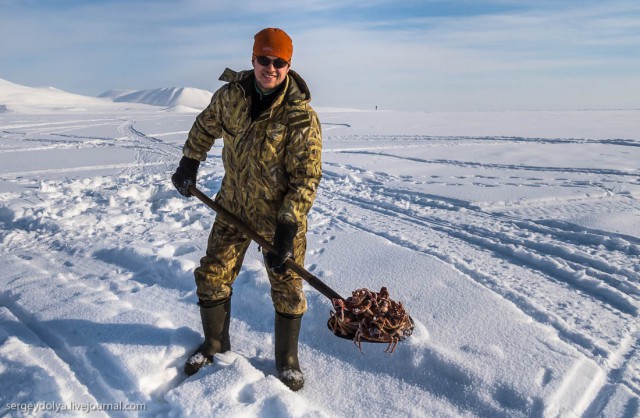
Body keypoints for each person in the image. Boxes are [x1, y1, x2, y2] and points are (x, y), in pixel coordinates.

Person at [171, 27, 322, 391]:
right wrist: (190, 162)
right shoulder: (230, 97)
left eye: (279, 62)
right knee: (212, 274)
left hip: (279, 217)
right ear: (253, 58)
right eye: (263, 59)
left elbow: (306, 177)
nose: (270, 68)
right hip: (233, 207)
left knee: (287, 286)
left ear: (289, 65)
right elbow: (205, 127)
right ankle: (215, 345)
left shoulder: (300, 116)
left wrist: (287, 228)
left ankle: (287, 361)